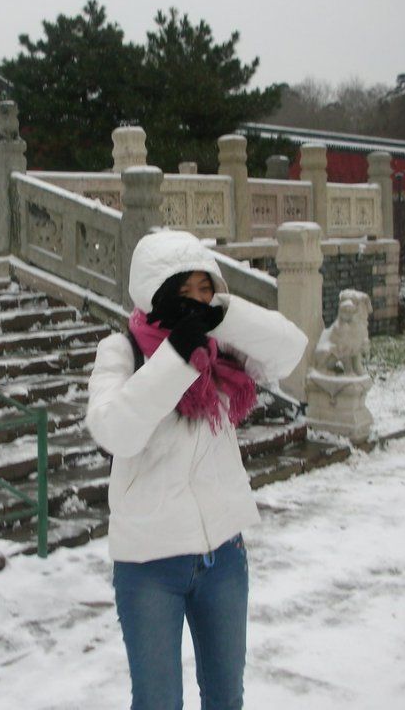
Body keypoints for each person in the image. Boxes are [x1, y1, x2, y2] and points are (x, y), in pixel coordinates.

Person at [86, 230, 308, 710]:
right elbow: (115, 431)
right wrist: (176, 358)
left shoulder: (224, 349)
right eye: (183, 291)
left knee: (227, 699)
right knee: (157, 702)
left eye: (205, 289)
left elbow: (290, 349)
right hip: (149, 566)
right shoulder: (122, 350)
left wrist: (226, 314)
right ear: (154, 292)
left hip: (223, 558)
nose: (197, 302)